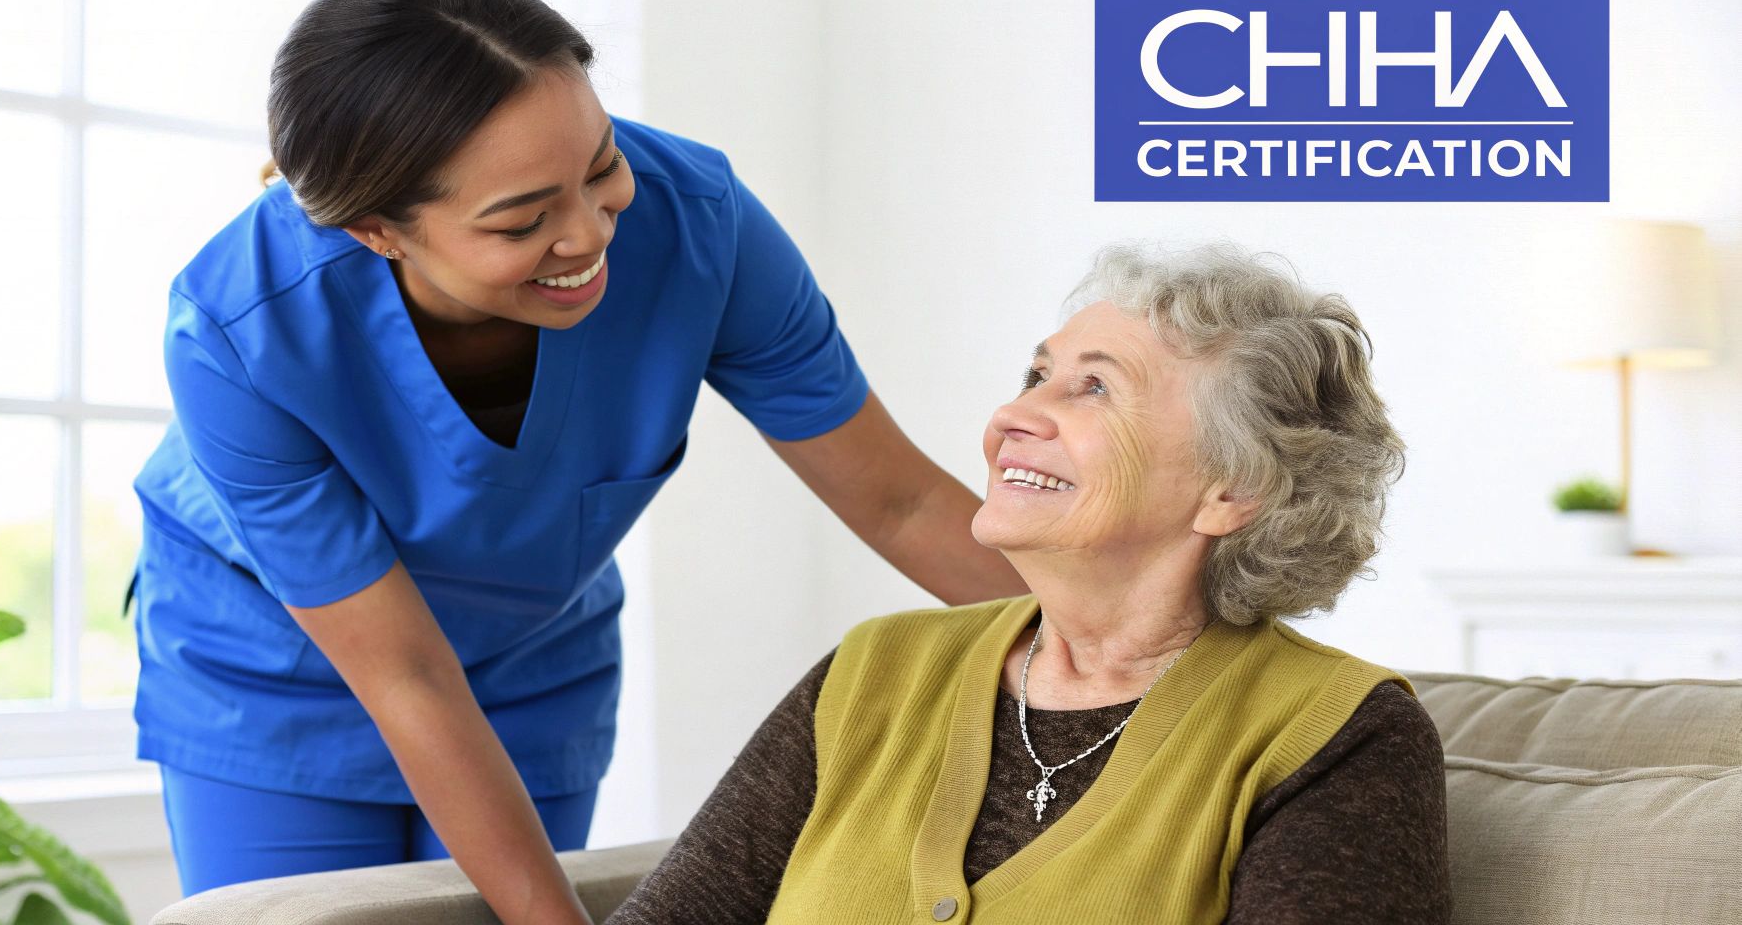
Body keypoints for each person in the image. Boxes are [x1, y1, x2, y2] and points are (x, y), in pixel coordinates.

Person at [125, 0, 1025, 924]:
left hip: (532, 654)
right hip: (268, 669)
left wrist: (1165, 645)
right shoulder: (241, 332)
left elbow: (901, 501)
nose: (589, 233)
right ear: (379, 230)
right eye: (521, 220)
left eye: (601, 168)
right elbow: (407, 673)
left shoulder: (699, 225)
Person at [607, 242, 1451, 924]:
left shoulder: (1336, 735)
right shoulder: (873, 672)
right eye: (1034, 376)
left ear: (1233, 488)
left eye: (1095, 388)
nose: (1014, 416)